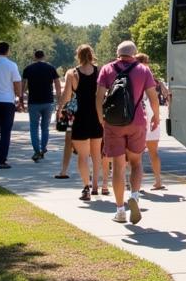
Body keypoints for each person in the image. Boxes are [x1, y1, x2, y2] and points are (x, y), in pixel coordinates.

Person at [96, 40, 160, 223]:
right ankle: (135, 196)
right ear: (134, 53)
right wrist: (156, 116)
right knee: (136, 162)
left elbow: (99, 97)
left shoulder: (107, 69)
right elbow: (153, 97)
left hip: (114, 123)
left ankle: (120, 210)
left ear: (118, 53)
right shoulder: (143, 70)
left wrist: (101, 118)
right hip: (137, 121)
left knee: (117, 165)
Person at [59, 44, 107, 201]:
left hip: (80, 118)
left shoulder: (72, 73)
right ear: (92, 55)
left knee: (83, 156)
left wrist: (60, 110)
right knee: (96, 154)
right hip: (96, 116)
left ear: (77, 55)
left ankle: (86, 187)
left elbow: (66, 96)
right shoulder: (100, 72)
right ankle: (95, 186)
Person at [135, 52, 170, 190]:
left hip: (139, 114)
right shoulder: (153, 79)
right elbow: (163, 95)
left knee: (137, 153)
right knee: (153, 152)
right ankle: (158, 181)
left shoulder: (134, 75)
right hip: (152, 112)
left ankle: (137, 183)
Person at [22, 49, 61, 162]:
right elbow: (57, 84)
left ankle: (36, 150)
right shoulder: (51, 68)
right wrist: (59, 98)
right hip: (48, 101)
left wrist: (21, 96)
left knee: (34, 127)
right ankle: (43, 148)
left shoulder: (28, 69)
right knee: (45, 127)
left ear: (34, 57)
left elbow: (23, 85)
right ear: (44, 56)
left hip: (33, 101)